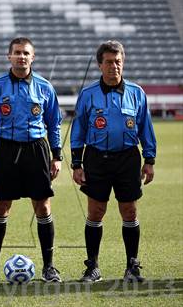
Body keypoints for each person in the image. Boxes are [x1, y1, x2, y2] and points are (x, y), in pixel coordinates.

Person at [70, 40, 156, 282]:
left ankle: (132, 267)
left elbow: (145, 128)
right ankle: (93, 267)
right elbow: (78, 130)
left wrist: (149, 159)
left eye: (118, 61)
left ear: (123, 63)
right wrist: (77, 164)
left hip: (128, 158)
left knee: (129, 211)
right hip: (96, 158)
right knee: (96, 212)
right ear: (100, 65)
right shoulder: (88, 95)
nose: (114, 67)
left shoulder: (137, 93)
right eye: (109, 62)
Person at [0, 37, 63, 283]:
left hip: (36, 150)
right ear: (9, 56)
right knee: (2, 205)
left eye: (26, 53)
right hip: (5, 150)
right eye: (17, 53)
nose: (21, 57)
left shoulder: (45, 87)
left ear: (32, 57)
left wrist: (56, 156)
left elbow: (54, 123)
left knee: (43, 206)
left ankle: (49, 267)